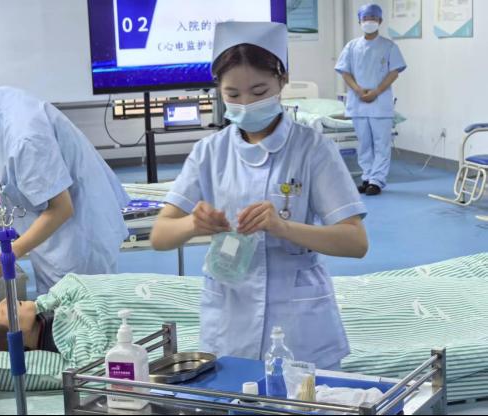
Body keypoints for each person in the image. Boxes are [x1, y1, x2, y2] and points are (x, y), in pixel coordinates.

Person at [150, 22, 369, 371]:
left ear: (282, 80)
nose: (246, 104)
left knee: (303, 396)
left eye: (258, 91)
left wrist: (284, 227)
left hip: (298, 324)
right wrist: (193, 224)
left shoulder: (312, 149)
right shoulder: (210, 152)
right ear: (218, 90)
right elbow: (160, 235)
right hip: (229, 316)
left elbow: (355, 242)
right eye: (233, 94)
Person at [0, 61, 130, 294]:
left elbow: (61, 208)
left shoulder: (23, 136)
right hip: (54, 238)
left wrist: (8, 254)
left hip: (78, 242)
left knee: (79, 312)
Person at [0, 273, 201, 368]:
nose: (7, 300)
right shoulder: (68, 346)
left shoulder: (54, 302)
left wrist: (48, 301)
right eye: (3, 311)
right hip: (147, 323)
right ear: (16, 343)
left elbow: (79, 284)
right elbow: (96, 365)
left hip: (155, 295)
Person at [335, 4, 406, 196]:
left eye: (373, 18)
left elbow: (394, 72)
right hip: (358, 102)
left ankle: (377, 180)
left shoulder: (389, 46)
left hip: (380, 102)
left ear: (380, 21)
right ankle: (367, 177)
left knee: (381, 144)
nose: (369, 21)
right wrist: (358, 90)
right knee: (364, 143)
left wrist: (376, 92)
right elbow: (345, 72)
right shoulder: (351, 46)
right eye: (366, 18)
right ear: (360, 21)